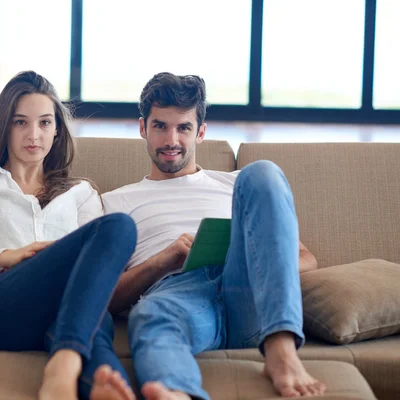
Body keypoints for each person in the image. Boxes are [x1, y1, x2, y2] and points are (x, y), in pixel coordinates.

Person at [98, 72, 327, 399]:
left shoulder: (234, 184)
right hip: (179, 293)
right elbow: (104, 297)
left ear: (201, 132)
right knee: (150, 314)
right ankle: (178, 391)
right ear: (142, 128)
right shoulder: (115, 201)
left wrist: (253, 259)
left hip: (246, 288)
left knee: (263, 172)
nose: (171, 140)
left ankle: (280, 346)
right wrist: (163, 261)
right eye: (160, 126)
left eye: (184, 128)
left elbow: (306, 260)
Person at [0, 71, 136, 400]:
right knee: (117, 227)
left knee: (112, 245)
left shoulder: (81, 193)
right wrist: (8, 256)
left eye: (45, 123)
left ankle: (104, 384)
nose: (34, 134)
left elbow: (96, 273)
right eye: (21, 122)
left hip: (64, 311)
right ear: (4, 126)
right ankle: (63, 365)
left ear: (58, 129)